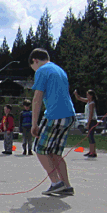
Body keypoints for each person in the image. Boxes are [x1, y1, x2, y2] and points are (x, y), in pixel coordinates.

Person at [29, 48, 76, 196]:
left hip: (55, 115)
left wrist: (34, 124)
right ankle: (67, 185)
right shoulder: (59, 70)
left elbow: (37, 98)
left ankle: (56, 183)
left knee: (39, 148)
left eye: (33, 67)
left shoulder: (42, 71)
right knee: (55, 152)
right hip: (69, 114)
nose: (34, 70)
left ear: (35, 61)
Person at [74, 89, 99, 158]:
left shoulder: (92, 103)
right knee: (89, 136)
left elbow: (91, 114)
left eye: (88, 95)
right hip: (89, 120)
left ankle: (93, 152)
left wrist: (88, 123)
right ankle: (91, 151)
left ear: (91, 96)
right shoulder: (88, 102)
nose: (86, 96)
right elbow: (79, 98)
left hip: (92, 121)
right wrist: (76, 94)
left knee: (91, 136)